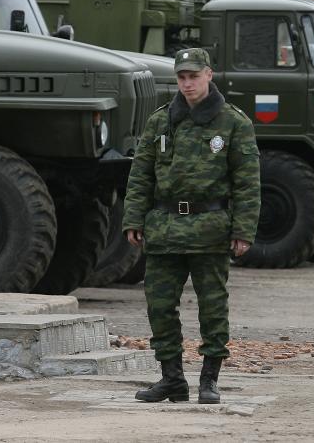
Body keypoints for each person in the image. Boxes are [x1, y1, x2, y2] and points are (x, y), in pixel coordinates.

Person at [122, 47, 260, 404]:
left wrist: (243, 230)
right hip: (165, 228)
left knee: (212, 307)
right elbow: (141, 176)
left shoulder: (233, 123)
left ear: (209, 75)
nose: (187, 84)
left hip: (210, 230)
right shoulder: (161, 121)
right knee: (159, 305)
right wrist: (133, 218)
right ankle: (172, 379)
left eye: (193, 77)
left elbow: (247, 181)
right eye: (181, 77)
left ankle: (209, 379)